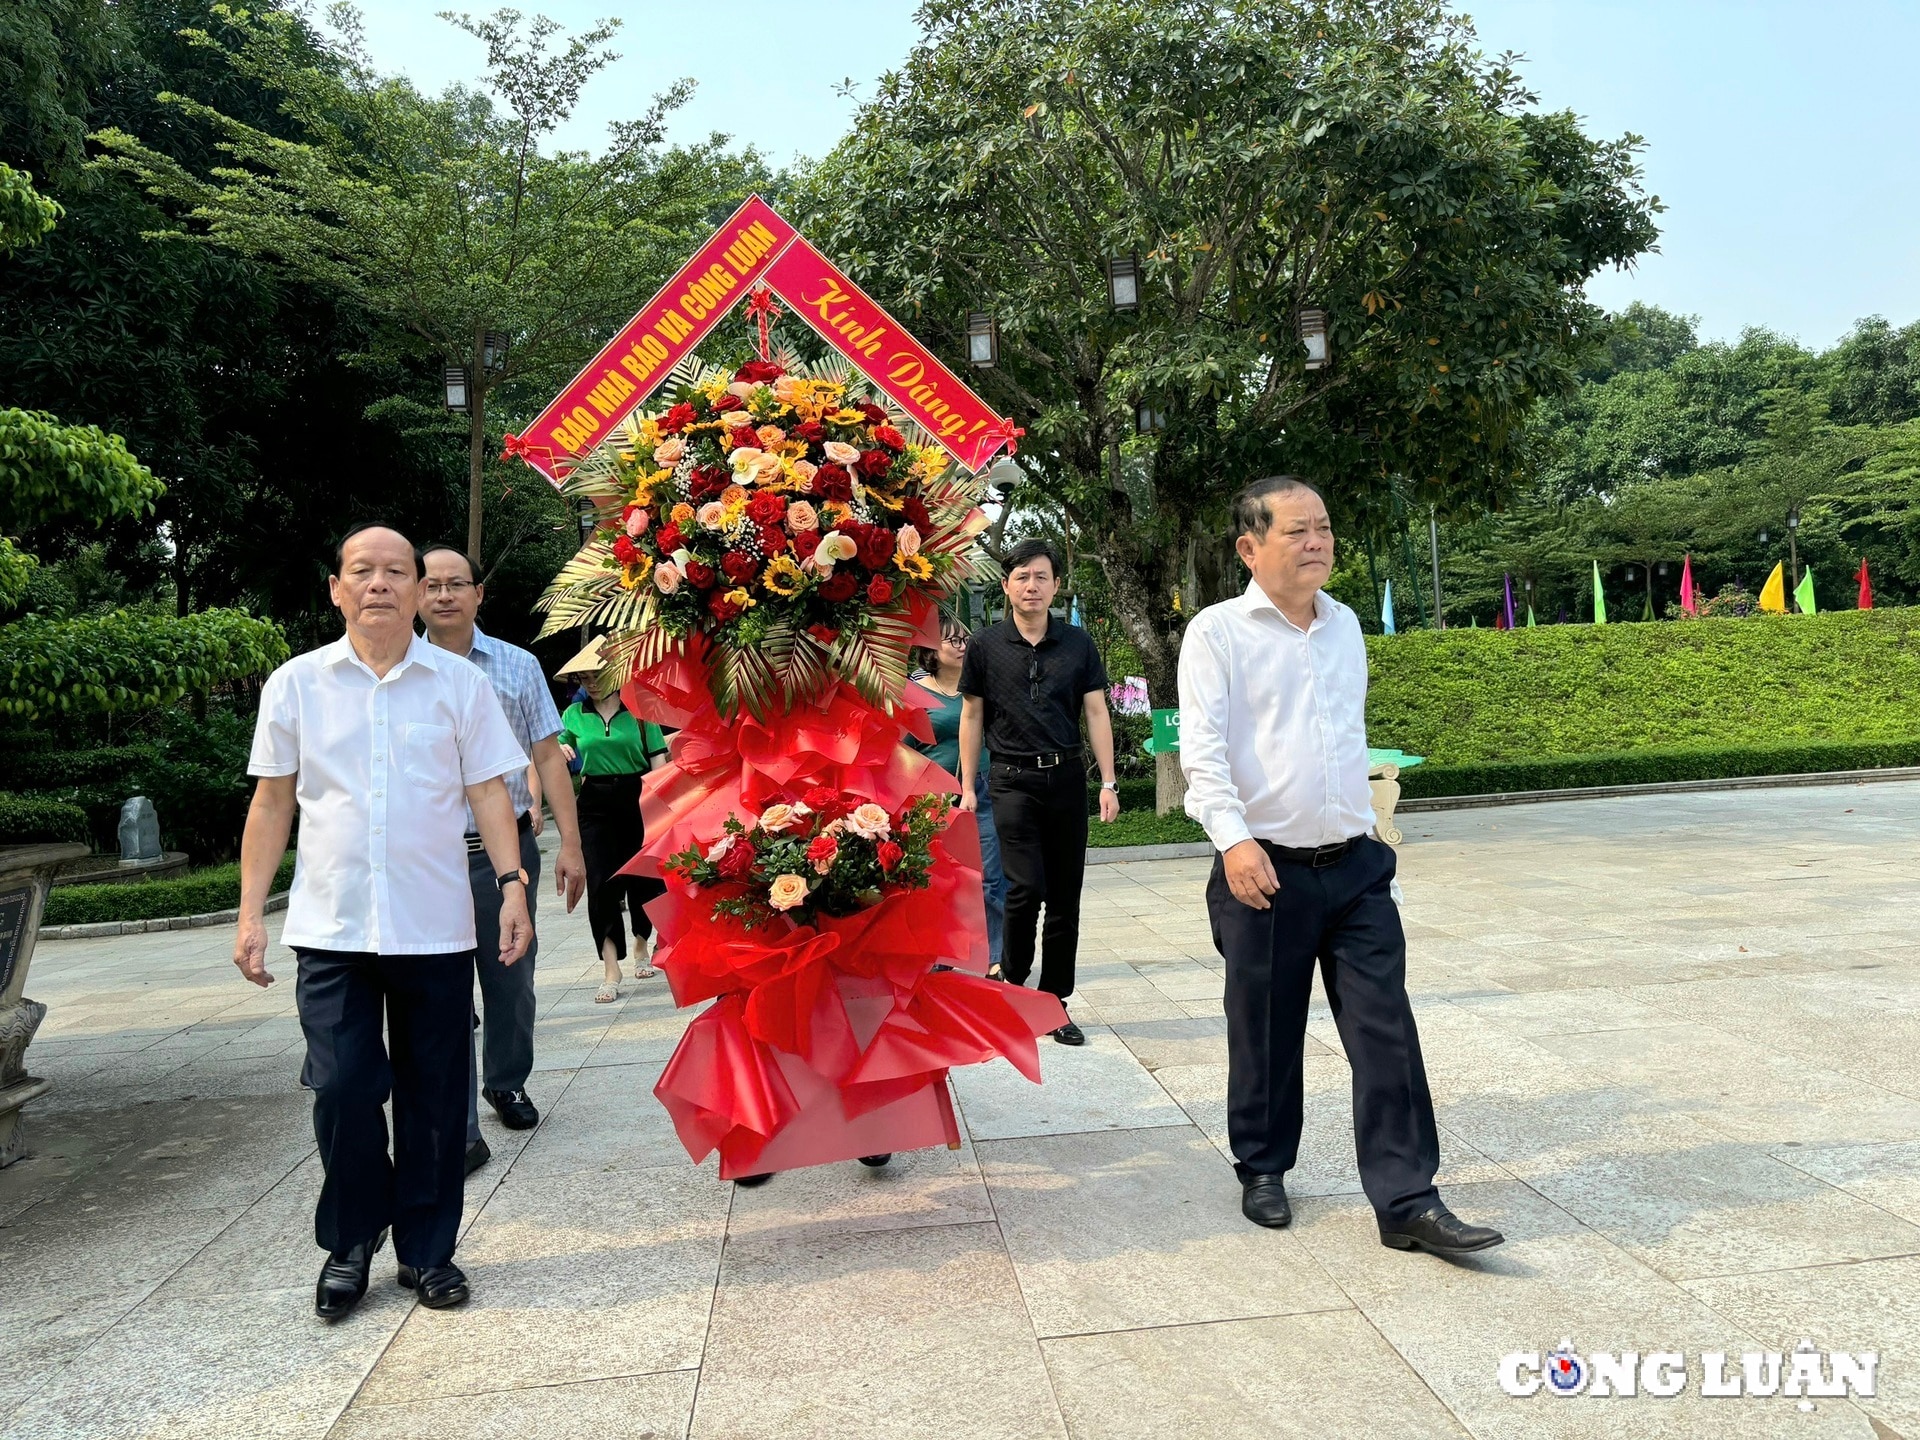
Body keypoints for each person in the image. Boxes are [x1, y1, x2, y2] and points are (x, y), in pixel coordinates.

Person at [1178, 476, 1503, 1256]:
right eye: (1297, 531)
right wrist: (1234, 840)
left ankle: (1408, 1201)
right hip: (1263, 869)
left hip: (1355, 868)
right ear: (1249, 548)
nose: (1318, 541)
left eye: (1323, 527)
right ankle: (1262, 1166)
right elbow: (1205, 753)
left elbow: (1340, 739)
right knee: (1265, 1026)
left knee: (1385, 1027)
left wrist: (1372, 833)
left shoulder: (1345, 625)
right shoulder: (1217, 634)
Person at [234, 523, 533, 1320]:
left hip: (433, 925)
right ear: (335, 588)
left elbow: (489, 794)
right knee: (341, 1088)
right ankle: (351, 1243)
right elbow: (271, 803)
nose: (379, 584)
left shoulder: (459, 685)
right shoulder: (295, 684)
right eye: (361, 571)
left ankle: (428, 1253)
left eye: (395, 571)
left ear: (416, 589)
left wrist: (511, 884)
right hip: (330, 928)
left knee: (436, 1097)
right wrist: (248, 915)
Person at [417, 545, 587, 1172]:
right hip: (428, 857)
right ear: (415, 595)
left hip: (506, 851)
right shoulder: (398, 670)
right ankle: (457, 1123)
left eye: (455, 584)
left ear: (478, 594)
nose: (443, 596)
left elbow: (548, 757)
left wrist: (570, 844)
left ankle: (506, 1079)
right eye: (430, 585)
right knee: (441, 990)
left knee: (510, 977)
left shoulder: (516, 667)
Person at [958, 538, 1121, 1046]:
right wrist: (967, 785)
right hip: (1010, 780)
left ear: (1054, 586)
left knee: (1065, 895)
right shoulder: (985, 645)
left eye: (1042, 577)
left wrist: (1109, 782)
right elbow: (971, 716)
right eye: (1022, 576)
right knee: (1024, 888)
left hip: (1067, 779)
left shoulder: (1078, 644)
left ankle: (1054, 1002)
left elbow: (1096, 712)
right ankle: (1014, 986)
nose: (1032, 586)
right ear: (1006, 585)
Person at [558, 663, 671, 1002]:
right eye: (584, 678)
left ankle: (641, 942)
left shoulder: (639, 713)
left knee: (644, 879)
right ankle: (611, 968)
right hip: (594, 803)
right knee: (600, 884)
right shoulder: (573, 714)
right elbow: (556, 747)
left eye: (597, 676)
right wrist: (561, 748)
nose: (591, 684)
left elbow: (658, 764)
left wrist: (662, 811)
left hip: (637, 797)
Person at [907, 617, 1005, 975]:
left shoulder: (983, 688)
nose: (961, 645)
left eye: (965, 639)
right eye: (951, 640)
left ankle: (995, 956)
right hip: (933, 793)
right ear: (932, 650)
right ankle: (942, 954)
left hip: (984, 786)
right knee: (938, 876)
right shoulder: (915, 694)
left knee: (991, 874)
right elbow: (903, 747)